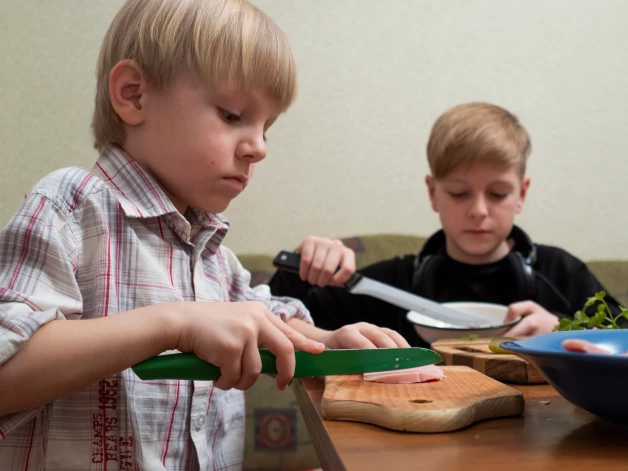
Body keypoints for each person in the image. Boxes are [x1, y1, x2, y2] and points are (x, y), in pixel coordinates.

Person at [0, 1, 408, 468]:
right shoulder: (70, 206)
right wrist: (175, 324)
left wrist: (326, 341)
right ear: (133, 94)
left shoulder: (213, 255)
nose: (258, 148)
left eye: (267, 129)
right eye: (234, 115)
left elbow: (267, 319)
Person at [269, 102, 622, 347]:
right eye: (458, 193)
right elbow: (277, 314)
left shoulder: (561, 272)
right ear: (433, 192)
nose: (478, 211)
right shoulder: (394, 281)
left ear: (522, 194)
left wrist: (562, 333)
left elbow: (621, 339)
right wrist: (301, 265)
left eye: (498, 194)